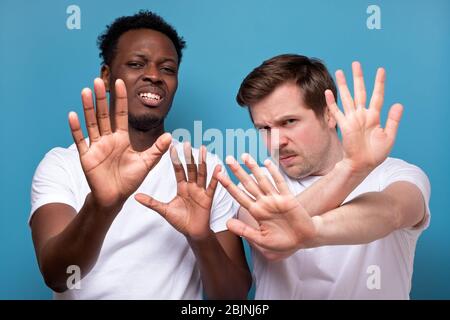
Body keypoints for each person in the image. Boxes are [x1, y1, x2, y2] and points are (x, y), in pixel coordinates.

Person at [29, 10, 251, 300]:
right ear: (107, 77)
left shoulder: (203, 169)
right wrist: (103, 205)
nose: (154, 76)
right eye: (136, 64)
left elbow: (232, 300)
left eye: (168, 69)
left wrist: (201, 236)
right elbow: (58, 276)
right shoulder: (62, 165)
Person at [216, 54, 430, 299]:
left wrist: (311, 229)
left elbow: (392, 213)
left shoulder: (397, 175)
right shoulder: (256, 186)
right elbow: (270, 239)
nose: (276, 141)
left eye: (289, 122)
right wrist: (350, 168)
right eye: (264, 128)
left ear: (330, 114)